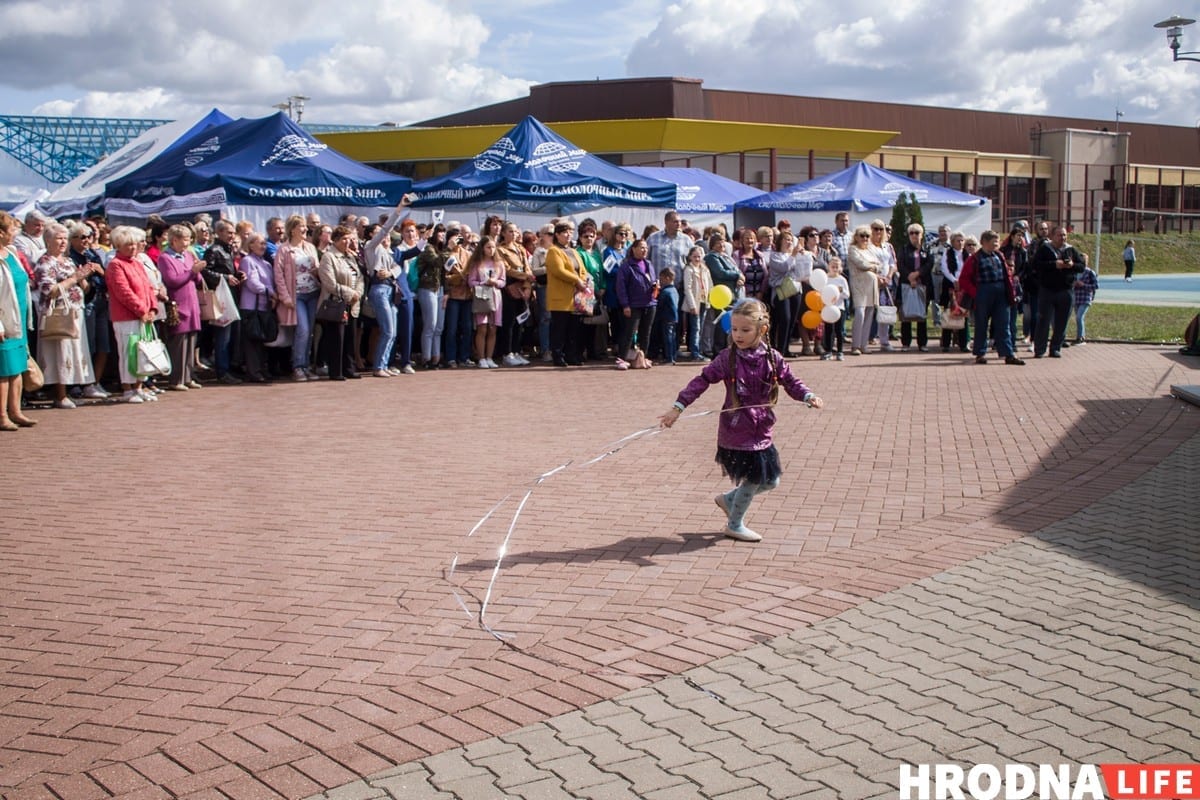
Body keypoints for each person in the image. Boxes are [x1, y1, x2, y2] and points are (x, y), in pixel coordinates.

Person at [658, 298, 823, 542]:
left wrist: (808, 395)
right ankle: (734, 524)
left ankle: (728, 500)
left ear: (762, 330)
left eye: (745, 330)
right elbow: (701, 380)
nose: (738, 335)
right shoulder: (728, 358)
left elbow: (791, 381)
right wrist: (678, 407)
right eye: (734, 329)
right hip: (737, 430)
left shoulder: (772, 357)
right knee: (755, 479)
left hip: (762, 429)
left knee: (772, 481)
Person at [35, 222, 99, 408]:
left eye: (65, 238)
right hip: (57, 314)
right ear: (48, 241)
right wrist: (74, 279)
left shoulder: (69, 260)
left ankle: (72, 389)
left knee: (73, 351)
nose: (63, 242)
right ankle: (59, 394)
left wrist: (86, 276)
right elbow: (49, 290)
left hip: (75, 311)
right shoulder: (45, 262)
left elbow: (82, 286)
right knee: (59, 353)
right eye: (58, 238)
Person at [105, 225, 160, 404]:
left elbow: (148, 287)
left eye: (134, 244)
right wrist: (141, 310)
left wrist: (152, 308)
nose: (133, 248)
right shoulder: (115, 265)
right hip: (126, 317)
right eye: (128, 245)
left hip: (143, 315)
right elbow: (124, 292)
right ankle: (127, 388)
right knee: (128, 351)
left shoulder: (136, 262)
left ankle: (139, 386)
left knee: (142, 352)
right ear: (118, 246)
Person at [960, 230, 1024, 365]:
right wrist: (976, 293)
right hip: (983, 292)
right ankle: (980, 354)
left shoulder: (999, 256)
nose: (997, 244)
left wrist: (1010, 291)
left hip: (1001, 294)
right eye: (993, 242)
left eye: (997, 241)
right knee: (981, 324)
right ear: (984, 242)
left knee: (1003, 324)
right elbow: (964, 279)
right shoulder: (975, 259)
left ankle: (1008, 354)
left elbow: (1008, 275)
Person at [157, 224, 208, 390]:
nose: (188, 243)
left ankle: (188, 376)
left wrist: (198, 271)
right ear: (174, 240)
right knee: (178, 342)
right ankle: (176, 379)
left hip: (192, 303)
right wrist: (192, 271)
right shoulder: (165, 258)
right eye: (185, 240)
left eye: (189, 239)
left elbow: (197, 280)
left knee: (191, 340)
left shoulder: (188, 255)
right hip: (178, 304)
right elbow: (173, 281)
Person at [274, 215, 321, 381]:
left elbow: (317, 268)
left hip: (313, 292)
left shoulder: (310, 247)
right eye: (301, 226)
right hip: (297, 295)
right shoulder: (284, 249)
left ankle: (306, 365)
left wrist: (318, 272)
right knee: (303, 330)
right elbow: (278, 274)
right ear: (292, 229)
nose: (305, 229)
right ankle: (297, 366)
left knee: (311, 332)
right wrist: (284, 296)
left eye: (305, 226)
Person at [0, 211, 35, 429]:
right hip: (4, 319)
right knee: (4, 368)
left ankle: (16, 411)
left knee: (19, 365)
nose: (15, 233)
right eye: (12, 229)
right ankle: (2, 415)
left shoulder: (11, 252)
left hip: (19, 316)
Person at [68, 222, 111, 397]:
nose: (87, 240)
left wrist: (100, 271)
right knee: (89, 344)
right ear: (73, 240)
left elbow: (107, 275)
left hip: (101, 298)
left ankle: (95, 381)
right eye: (82, 237)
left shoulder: (93, 254)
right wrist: (84, 275)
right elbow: (79, 281)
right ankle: (83, 383)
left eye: (89, 236)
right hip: (86, 302)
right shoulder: (72, 257)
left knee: (103, 344)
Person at [317, 225, 364, 381]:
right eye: (344, 239)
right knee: (337, 338)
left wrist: (358, 293)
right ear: (336, 240)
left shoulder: (350, 257)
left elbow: (360, 277)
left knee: (350, 337)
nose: (347, 242)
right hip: (336, 303)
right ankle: (336, 370)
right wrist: (349, 293)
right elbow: (329, 283)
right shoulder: (329, 257)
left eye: (349, 239)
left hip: (352, 304)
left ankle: (348, 368)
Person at [201, 220, 245, 384]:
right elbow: (205, 271)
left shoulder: (228, 250)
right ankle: (222, 370)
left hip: (231, 295)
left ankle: (230, 368)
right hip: (221, 297)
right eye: (228, 232)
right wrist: (225, 278)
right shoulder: (214, 250)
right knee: (223, 335)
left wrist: (237, 275)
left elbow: (227, 270)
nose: (232, 236)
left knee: (233, 334)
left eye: (233, 233)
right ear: (219, 233)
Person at [1031, 225, 1081, 359]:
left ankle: (1055, 348)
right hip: (1048, 290)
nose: (1062, 238)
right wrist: (1054, 264)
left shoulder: (1070, 250)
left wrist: (1072, 265)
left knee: (1062, 322)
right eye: (1059, 235)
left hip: (1066, 291)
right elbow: (1035, 265)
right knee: (1043, 320)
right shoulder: (1044, 249)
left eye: (1064, 235)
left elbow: (1081, 266)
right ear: (1052, 236)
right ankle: (1040, 349)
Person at [544, 221, 590, 367]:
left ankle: (571, 355)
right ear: (557, 235)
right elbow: (559, 270)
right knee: (559, 328)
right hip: (560, 296)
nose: (568, 234)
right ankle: (558, 355)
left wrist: (583, 279)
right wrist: (577, 280)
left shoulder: (574, 251)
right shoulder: (553, 251)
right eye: (565, 232)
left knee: (573, 328)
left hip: (575, 296)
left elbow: (582, 268)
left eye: (570, 232)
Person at [236, 233, 276, 383]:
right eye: (259, 243)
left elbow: (270, 282)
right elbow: (252, 283)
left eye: (264, 244)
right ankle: (253, 371)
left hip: (264, 306)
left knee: (261, 340)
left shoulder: (266, 264)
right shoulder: (247, 261)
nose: (263, 247)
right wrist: (272, 293)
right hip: (250, 307)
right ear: (251, 245)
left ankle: (261, 369)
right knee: (252, 341)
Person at [615, 238, 658, 365]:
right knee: (629, 332)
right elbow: (621, 287)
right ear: (633, 249)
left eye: (646, 248)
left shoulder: (649, 264)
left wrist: (656, 285)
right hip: (633, 304)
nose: (644, 250)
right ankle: (621, 359)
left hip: (649, 303)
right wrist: (625, 305)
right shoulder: (626, 266)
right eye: (641, 247)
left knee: (646, 333)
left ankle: (642, 358)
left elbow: (653, 279)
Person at [498, 221, 534, 366]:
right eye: (510, 231)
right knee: (509, 322)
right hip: (509, 288)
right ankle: (507, 352)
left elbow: (528, 268)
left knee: (520, 322)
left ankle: (516, 350)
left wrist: (527, 287)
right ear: (503, 233)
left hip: (522, 288)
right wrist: (525, 276)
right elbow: (506, 269)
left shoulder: (520, 249)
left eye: (515, 231)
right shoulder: (501, 250)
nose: (514, 234)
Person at [466, 236, 504, 369]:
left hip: (495, 296)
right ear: (482, 248)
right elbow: (471, 281)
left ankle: (489, 357)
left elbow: (503, 281)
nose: (491, 250)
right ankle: (481, 357)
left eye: (493, 247)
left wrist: (495, 282)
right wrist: (483, 282)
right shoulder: (477, 263)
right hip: (482, 296)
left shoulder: (499, 263)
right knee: (482, 328)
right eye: (488, 247)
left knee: (493, 328)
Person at [702, 233, 743, 357]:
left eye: (723, 241)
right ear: (713, 244)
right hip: (721, 295)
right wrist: (736, 275)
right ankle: (718, 350)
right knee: (721, 323)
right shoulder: (711, 257)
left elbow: (737, 269)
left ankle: (729, 349)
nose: (722, 244)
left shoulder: (725, 257)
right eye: (718, 242)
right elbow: (720, 273)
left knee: (730, 322)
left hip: (732, 294)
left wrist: (739, 275)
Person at [765, 229, 803, 357]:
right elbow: (783, 268)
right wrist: (793, 255)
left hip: (796, 289)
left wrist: (802, 256)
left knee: (792, 320)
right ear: (780, 241)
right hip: (781, 290)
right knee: (784, 319)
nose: (789, 242)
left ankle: (786, 348)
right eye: (786, 239)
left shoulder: (796, 255)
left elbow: (803, 270)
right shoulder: (775, 255)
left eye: (791, 240)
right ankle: (779, 349)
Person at [897, 223, 934, 352]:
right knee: (906, 314)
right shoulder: (904, 249)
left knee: (921, 315)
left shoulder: (927, 249)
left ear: (921, 234)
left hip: (923, 284)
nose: (914, 235)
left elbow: (930, 264)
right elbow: (900, 264)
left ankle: (922, 343)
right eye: (911, 233)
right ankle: (906, 343)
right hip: (907, 285)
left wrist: (918, 274)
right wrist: (910, 277)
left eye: (917, 233)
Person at [847, 225, 882, 355]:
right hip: (858, 285)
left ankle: (864, 344)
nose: (865, 238)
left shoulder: (870, 250)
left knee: (869, 314)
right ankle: (855, 345)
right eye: (862, 235)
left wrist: (872, 267)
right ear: (856, 237)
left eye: (867, 236)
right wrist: (872, 266)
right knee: (860, 314)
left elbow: (880, 265)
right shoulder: (853, 249)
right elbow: (860, 264)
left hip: (872, 287)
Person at [442, 226, 473, 368]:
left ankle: (464, 357)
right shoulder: (446, 254)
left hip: (467, 295)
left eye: (459, 236)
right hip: (454, 295)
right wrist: (459, 277)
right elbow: (445, 276)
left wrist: (467, 278)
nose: (458, 239)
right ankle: (450, 357)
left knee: (467, 327)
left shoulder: (468, 254)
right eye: (455, 237)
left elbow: (472, 272)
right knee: (452, 328)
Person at [939, 232, 970, 353]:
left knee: (963, 314)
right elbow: (945, 268)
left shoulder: (968, 254)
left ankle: (963, 343)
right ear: (952, 242)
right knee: (949, 313)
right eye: (958, 240)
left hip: (964, 287)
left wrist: (963, 281)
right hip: (950, 286)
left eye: (962, 240)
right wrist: (954, 280)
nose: (961, 243)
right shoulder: (948, 253)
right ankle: (946, 343)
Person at [680, 245, 712, 362]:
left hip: (704, 301)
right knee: (696, 328)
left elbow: (710, 283)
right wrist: (692, 305)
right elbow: (687, 289)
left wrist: (710, 298)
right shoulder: (689, 270)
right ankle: (695, 352)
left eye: (699, 256)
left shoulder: (704, 269)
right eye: (695, 257)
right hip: (695, 303)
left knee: (701, 328)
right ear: (690, 257)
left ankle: (699, 350)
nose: (697, 259)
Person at [820, 257, 849, 361]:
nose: (835, 269)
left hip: (839, 308)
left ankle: (840, 351)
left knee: (839, 330)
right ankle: (828, 351)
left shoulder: (842, 279)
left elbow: (847, 295)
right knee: (828, 330)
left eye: (837, 267)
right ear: (829, 267)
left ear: (840, 268)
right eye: (833, 266)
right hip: (827, 309)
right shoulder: (825, 279)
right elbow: (821, 292)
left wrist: (840, 291)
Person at [654, 267, 679, 364]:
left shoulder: (665, 292)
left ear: (667, 278)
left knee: (667, 338)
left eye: (662, 279)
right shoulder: (675, 290)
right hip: (674, 318)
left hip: (666, 318)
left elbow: (659, 303)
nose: (661, 281)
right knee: (672, 337)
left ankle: (669, 358)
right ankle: (673, 356)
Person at [1073, 257, 1098, 344]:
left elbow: (1095, 286)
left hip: (1086, 298)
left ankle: (1080, 338)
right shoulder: (1075, 272)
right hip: (1077, 298)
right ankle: (1080, 336)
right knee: (1078, 318)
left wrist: (1083, 285)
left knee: (1079, 317)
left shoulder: (1090, 272)